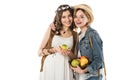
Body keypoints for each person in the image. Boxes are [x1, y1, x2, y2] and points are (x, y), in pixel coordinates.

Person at [38, 4, 78, 80]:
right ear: (59, 18)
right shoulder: (52, 30)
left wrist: (69, 53)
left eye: (69, 16)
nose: (67, 19)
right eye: (63, 17)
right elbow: (39, 52)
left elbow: (75, 57)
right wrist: (54, 49)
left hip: (65, 69)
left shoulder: (75, 35)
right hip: (50, 67)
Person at [70, 4, 105, 80]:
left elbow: (99, 60)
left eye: (82, 17)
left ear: (88, 19)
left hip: (92, 76)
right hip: (81, 77)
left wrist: (83, 70)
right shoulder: (78, 36)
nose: (78, 19)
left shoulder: (92, 34)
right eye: (76, 16)